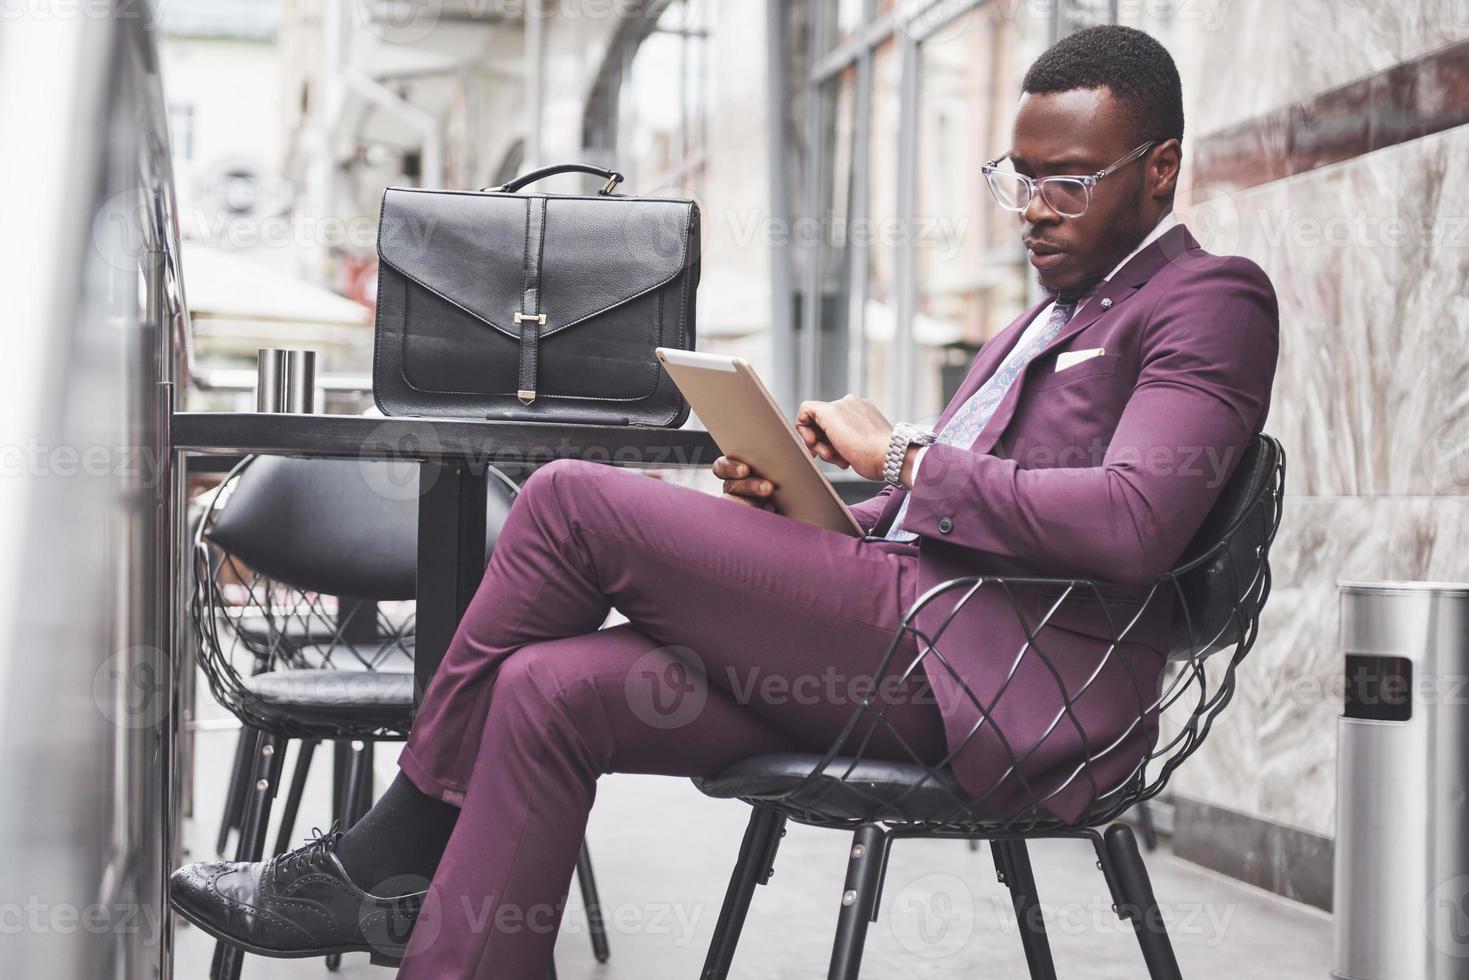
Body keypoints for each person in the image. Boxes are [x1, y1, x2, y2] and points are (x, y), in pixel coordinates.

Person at [169, 24, 1278, 979]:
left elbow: (1134, 521)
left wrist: (897, 454)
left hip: (990, 685)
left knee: (565, 502)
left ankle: (387, 850)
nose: (1030, 210)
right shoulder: (1036, 317)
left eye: (1065, 181)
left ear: (1159, 168)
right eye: (1015, 177)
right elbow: (951, 513)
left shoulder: (1206, 301)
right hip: (895, 646)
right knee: (548, 686)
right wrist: (807, 507)